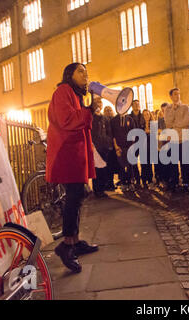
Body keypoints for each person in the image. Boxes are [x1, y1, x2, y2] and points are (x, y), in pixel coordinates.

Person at [46, 63, 99, 273]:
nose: (85, 74)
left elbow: (82, 122)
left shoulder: (76, 95)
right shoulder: (62, 91)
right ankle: (66, 245)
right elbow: (67, 120)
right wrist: (89, 110)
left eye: (86, 71)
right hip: (66, 153)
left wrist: (88, 110)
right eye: (80, 71)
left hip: (75, 153)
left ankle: (75, 241)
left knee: (77, 195)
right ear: (69, 74)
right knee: (74, 195)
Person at [164, 88, 189, 192]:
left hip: (184, 138)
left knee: (185, 162)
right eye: (175, 94)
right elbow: (168, 122)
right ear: (171, 96)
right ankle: (175, 182)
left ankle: (186, 182)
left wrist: (175, 126)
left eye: (179, 94)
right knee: (173, 163)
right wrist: (173, 110)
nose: (177, 96)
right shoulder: (168, 109)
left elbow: (187, 121)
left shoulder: (185, 107)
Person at [111, 108, 137, 191]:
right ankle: (123, 183)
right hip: (119, 147)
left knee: (130, 166)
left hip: (129, 146)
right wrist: (116, 147)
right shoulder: (113, 120)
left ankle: (131, 183)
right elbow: (113, 135)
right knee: (121, 165)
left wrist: (132, 146)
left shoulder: (130, 119)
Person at [91, 97, 112, 198]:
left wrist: (108, 143)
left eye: (100, 104)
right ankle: (97, 190)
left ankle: (102, 189)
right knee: (97, 169)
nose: (99, 105)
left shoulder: (105, 118)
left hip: (104, 146)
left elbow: (109, 132)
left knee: (104, 169)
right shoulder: (91, 117)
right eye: (97, 104)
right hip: (95, 147)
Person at [129, 100, 145, 187]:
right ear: (132, 106)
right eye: (135, 104)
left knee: (144, 161)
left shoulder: (143, 116)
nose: (137, 106)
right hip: (133, 142)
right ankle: (137, 179)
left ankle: (144, 178)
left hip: (142, 142)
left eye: (138, 104)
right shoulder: (129, 117)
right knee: (133, 162)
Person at [141, 109, 155, 188]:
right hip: (143, 147)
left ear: (150, 115)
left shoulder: (153, 124)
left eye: (147, 114)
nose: (146, 116)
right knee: (143, 164)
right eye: (145, 115)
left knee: (149, 164)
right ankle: (143, 180)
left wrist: (148, 132)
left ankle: (150, 180)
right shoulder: (141, 125)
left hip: (150, 147)